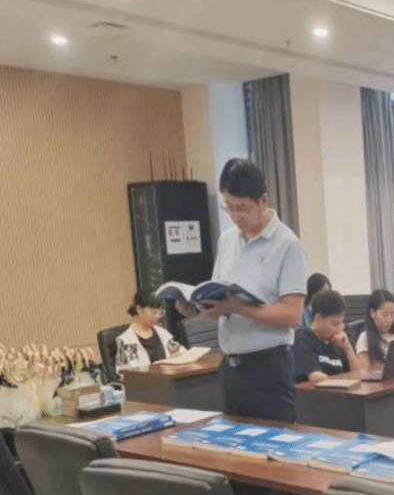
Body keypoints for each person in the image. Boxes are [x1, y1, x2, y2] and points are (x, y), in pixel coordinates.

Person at [199, 158, 306, 423]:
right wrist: (198, 306)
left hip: (269, 369)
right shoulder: (227, 240)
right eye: (230, 208)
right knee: (233, 443)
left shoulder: (287, 244)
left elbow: (293, 315)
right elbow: (218, 297)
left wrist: (239, 308)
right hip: (230, 368)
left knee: (274, 444)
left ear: (263, 201)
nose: (236, 216)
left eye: (243, 209)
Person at [292, 290, 358, 383]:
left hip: (338, 389)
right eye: (335, 323)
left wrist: (348, 349)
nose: (340, 329)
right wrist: (344, 382)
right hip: (315, 391)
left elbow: (358, 374)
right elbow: (316, 377)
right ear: (318, 318)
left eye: (342, 323)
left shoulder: (337, 342)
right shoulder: (302, 338)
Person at [115, 290, 184, 376]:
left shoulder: (163, 334)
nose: (157, 316)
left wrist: (177, 358)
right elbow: (122, 374)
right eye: (153, 312)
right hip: (143, 383)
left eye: (160, 312)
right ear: (139, 309)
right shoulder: (126, 340)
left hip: (167, 380)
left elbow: (182, 353)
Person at [356, 289, 394, 373]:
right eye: (385, 315)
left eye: (392, 315)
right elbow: (364, 372)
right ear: (372, 313)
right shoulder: (365, 338)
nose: (389, 320)